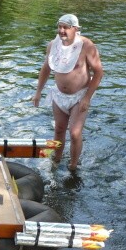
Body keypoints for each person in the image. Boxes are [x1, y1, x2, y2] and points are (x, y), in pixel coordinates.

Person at [32, 14, 104, 171]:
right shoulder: (53, 45)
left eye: (66, 27)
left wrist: (87, 98)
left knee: (75, 133)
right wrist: (38, 92)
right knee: (58, 130)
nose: (61, 30)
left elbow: (99, 72)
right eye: (60, 27)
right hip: (59, 95)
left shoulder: (87, 46)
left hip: (79, 96)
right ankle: (56, 161)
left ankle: (73, 166)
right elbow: (46, 68)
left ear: (76, 29)